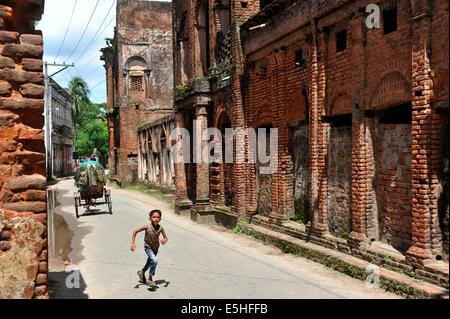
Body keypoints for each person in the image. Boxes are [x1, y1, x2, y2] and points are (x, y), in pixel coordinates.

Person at [131, 209, 168, 286]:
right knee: (154, 261)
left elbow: (165, 237)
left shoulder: (161, 228)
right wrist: (133, 243)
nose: (156, 219)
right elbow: (135, 231)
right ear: (150, 218)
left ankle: (142, 272)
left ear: (160, 219)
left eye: (158, 217)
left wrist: (164, 240)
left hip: (156, 248)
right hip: (148, 248)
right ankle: (150, 278)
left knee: (149, 262)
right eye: (154, 217)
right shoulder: (147, 227)